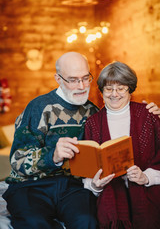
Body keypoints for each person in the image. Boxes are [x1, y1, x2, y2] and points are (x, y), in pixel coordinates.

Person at [2, 52, 160, 229]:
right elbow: (17, 160)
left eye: (86, 78)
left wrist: (153, 113)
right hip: (31, 186)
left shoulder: (93, 112)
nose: (82, 86)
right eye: (73, 80)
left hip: (72, 188)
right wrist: (52, 156)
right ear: (58, 79)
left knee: (88, 221)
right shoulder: (38, 107)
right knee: (34, 223)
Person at [84, 61, 160, 229]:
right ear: (102, 91)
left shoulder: (148, 115)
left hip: (147, 194)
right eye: (108, 88)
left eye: (121, 88)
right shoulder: (92, 124)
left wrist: (146, 177)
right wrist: (95, 185)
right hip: (111, 197)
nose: (114, 94)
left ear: (130, 89)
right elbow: (87, 178)